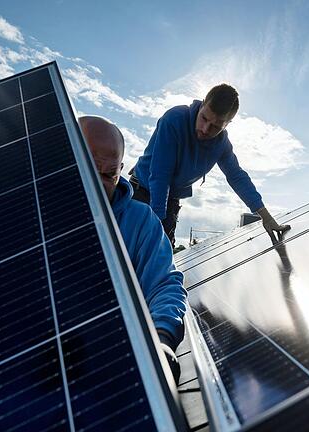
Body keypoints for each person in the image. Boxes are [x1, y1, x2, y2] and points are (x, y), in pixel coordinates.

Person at [78, 115, 186, 383]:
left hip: (108, 366)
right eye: (90, 169)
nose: (100, 183)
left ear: (121, 169)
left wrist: (161, 339)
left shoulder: (141, 222)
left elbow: (164, 284)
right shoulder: (31, 213)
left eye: (109, 174)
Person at [130, 84, 290, 247]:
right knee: (135, 250)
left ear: (227, 124)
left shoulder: (222, 144)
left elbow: (236, 176)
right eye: (204, 118)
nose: (205, 129)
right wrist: (157, 226)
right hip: (142, 191)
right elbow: (160, 175)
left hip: (170, 199)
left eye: (215, 126)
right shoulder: (174, 119)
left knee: (161, 259)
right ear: (202, 104)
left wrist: (266, 217)